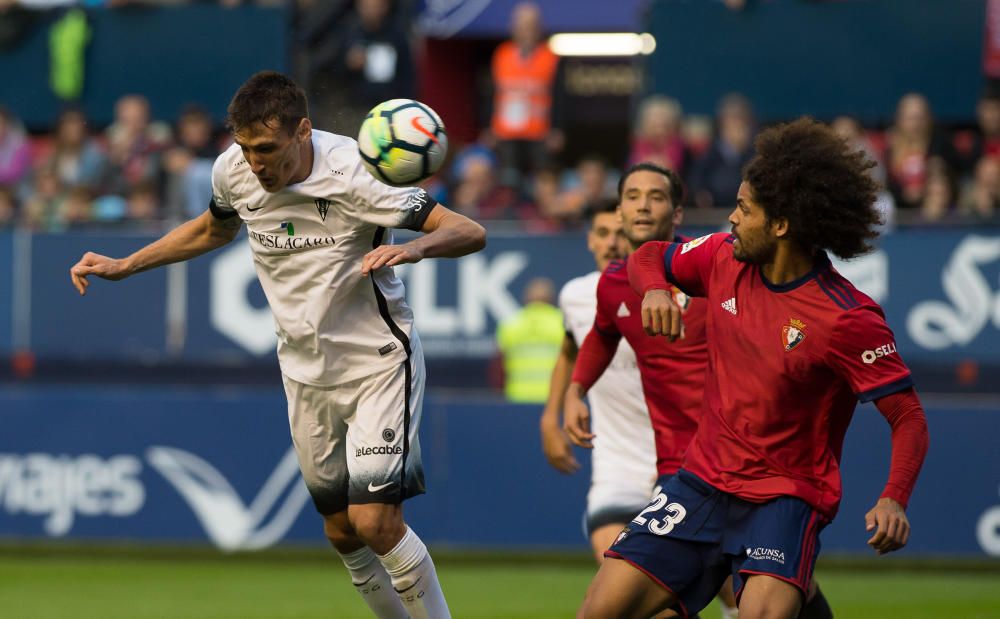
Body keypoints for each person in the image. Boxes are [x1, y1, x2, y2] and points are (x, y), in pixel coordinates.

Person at [70, 71, 486, 619]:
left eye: (265, 148)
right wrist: (127, 264)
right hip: (303, 369)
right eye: (245, 147)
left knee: (375, 522)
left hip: (377, 362)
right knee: (340, 531)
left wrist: (415, 250)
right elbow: (213, 230)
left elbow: (468, 230)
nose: (255, 162)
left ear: (303, 132)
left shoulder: (357, 174)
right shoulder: (233, 171)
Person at [580, 118, 929, 618]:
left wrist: (894, 497)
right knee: (598, 612)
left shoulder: (847, 319)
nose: (731, 218)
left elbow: (909, 417)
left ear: (782, 224)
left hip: (784, 500)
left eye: (744, 209)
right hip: (699, 483)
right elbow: (652, 256)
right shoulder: (722, 258)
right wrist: (656, 288)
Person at [563, 163, 739, 619]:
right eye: (633, 196)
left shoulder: (711, 267)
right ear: (619, 210)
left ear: (678, 213)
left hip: (741, 466)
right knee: (623, 605)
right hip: (679, 473)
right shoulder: (612, 284)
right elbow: (601, 335)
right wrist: (574, 390)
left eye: (656, 196)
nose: (643, 204)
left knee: (764, 599)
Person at [538, 201, 657, 564]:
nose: (612, 244)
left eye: (620, 234)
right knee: (627, 588)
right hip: (616, 469)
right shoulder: (575, 297)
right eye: (603, 234)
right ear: (589, 240)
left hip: (681, 462)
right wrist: (551, 417)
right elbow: (570, 349)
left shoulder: (664, 294)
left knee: (742, 595)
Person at [487, 1, 563, 189]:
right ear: (513, 27)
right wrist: (488, 126)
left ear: (539, 28)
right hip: (506, 132)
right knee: (508, 180)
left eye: (531, 25)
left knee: (543, 181)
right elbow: (491, 92)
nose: (526, 30)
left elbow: (561, 97)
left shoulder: (550, 57)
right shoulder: (501, 54)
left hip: (539, 132)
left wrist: (558, 128)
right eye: (522, 25)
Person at [496, 276, 565, 403]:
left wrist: (499, 395)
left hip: (517, 396)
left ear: (526, 299)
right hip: (554, 398)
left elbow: (498, 366)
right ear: (552, 299)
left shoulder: (511, 323)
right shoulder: (562, 322)